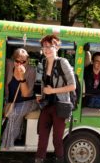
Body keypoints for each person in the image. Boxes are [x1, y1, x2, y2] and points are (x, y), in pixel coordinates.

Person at [35, 35, 76, 163]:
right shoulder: (43, 62)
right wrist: (40, 96)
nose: (46, 49)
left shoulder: (62, 62)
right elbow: (42, 83)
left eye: (49, 46)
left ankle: (59, 159)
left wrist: (53, 91)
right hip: (46, 105)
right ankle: (39, 159)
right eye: (44, 46)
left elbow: (72, 86)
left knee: (57, 139)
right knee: (42, 136)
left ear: (56, 47)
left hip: (60, 106)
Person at [1, 48, 38, 149]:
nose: (20, 64)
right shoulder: (9, 65)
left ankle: (7, 144)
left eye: (23, 61)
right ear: (13, 60)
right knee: (10, 111)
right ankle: (17, 135)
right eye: (17, 61)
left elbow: (26, 94)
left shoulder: (31, 70)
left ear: (28, 60)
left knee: (14, 113)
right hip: (12, 101)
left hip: (29, 101)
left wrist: (22, 76)